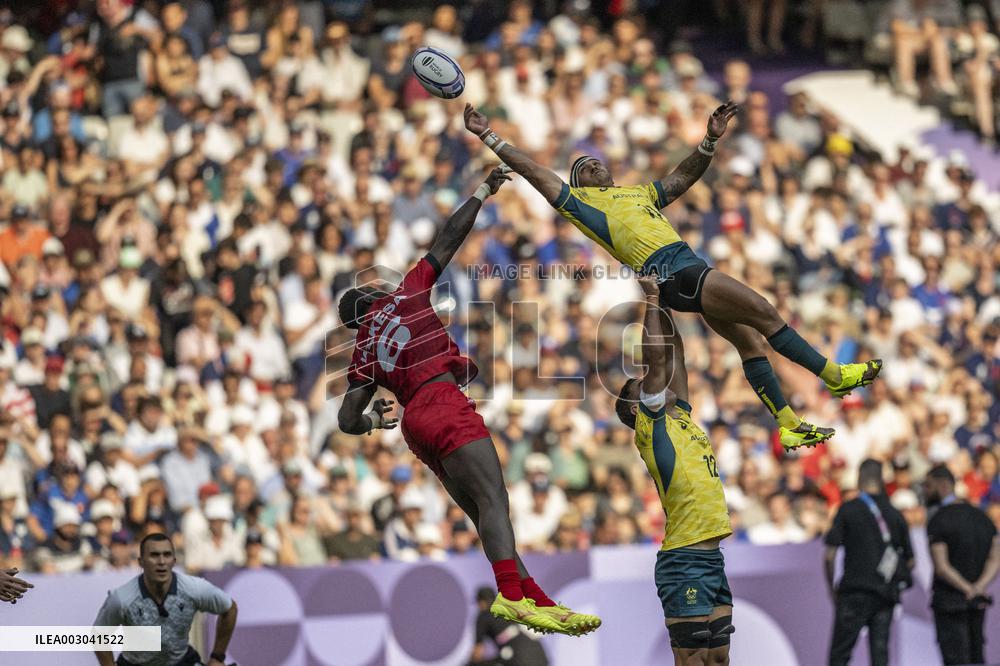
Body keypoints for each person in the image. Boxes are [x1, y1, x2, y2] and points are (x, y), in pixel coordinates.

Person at [464, 103, 883, 451]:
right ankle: (833, 375)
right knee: (764, 311)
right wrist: (489, 137)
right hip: (674, 271)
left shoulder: (637, 193)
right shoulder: (578, 203)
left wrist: (709, 141)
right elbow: (537, 172)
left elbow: (682, 178)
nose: (595, 165)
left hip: (684, 270)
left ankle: (787, 420)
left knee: (750, 340)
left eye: (596, 161)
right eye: (585, 167)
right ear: (580, 186)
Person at [337, 166, 598, 637]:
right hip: (442, 400)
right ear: (374, 296)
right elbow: (448, 240)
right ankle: (512, 597)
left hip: (416, 423)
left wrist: (376, 419)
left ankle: (536, 598)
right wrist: (481, 190)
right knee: (496, 500)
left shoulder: (362, 350)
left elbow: (346, 419)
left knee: (484, 512)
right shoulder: (405, 293)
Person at [614, 276, 735, 666]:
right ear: (636, 409)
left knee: (717, 658)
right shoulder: (651, 428)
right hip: (684, 559)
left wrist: (667, 303)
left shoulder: (678, 414)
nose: (657, 382)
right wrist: (650, 297)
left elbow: (675, 356)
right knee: (692, 659)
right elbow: (657, 359)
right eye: (643, 386)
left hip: (711, 558)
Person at [94, 533, 238, 666]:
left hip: (181, 662)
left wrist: (217, 657)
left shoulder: (194, 589)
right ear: (141, 562)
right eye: (154, 555)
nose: (161, 561)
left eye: (167, 555)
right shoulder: (122, 598)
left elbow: (230, 609)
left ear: (174, 561)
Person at [824, 459, 914, 666]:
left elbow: (829, 555)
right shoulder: (895, 514)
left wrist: (832, 588)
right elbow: (911, 560)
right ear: (882, 480)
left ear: (859, 478)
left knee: (840, 653)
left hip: (854, 591)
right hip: (885, 593)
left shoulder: (848, 509)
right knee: (880, 653)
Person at [924, 465, 1000, 666]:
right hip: (976, 602)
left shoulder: (939, 519)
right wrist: (978, 587)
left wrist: (967, 588)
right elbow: (995, 558)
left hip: (950, 603)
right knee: (976, 656)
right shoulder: (982, 518)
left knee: (955, 658)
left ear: (942, 485)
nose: (924, 491)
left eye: (928, 485)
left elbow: (941, 566)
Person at [470, 586, 549, 666]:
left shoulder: (483, 616)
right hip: (539, 655)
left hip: (517, 659)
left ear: (482, 602)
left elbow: (478, 652)